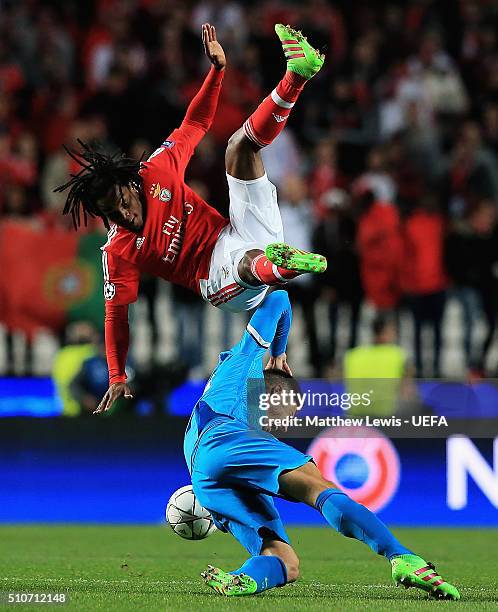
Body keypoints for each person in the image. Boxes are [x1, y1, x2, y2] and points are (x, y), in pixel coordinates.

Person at [56, 24, 327, 413]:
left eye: (122, 202)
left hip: (236, 231)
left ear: (129, 184)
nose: (123, 215)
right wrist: (117, 376)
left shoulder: (157, 171)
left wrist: (216, 72)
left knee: (239, 146)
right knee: (246, 264)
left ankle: (297, 76)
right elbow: (116, 315)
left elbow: (195, 123)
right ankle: (278, 266)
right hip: (214, 277)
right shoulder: (118, 250)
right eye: (111, 214)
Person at [183, 290, 460, 600]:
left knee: (286, 562)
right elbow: (280, 298)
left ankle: (242, 579)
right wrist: (278, 351)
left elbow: (210, 457)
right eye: (286, 414)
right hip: (225, 437)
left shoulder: (232, 401)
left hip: (204, 476)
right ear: (274, 393)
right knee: (317, 486)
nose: (283, 426)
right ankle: (402, 557)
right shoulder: (244, 361)